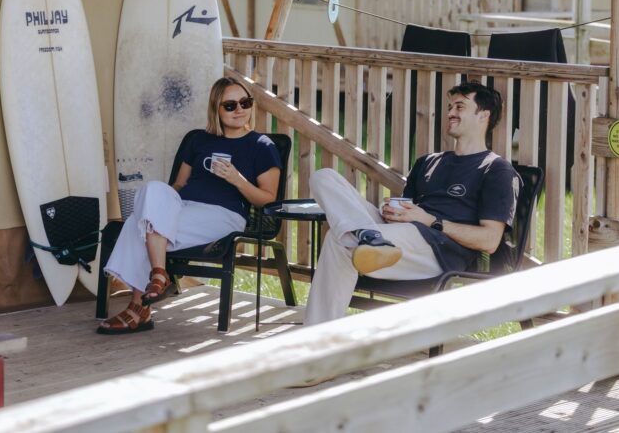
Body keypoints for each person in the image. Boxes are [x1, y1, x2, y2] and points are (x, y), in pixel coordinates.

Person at [304, 80, 519, 325]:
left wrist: (429, 220)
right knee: (324, 177)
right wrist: (393, 213)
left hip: (439, 250)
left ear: (484, 116)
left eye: (459, 107)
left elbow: (490, 241)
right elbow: (408, 209)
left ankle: (313, 342)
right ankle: (370, 238)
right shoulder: (429, 162)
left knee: (338, 238)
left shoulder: (496, 169)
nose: (450, 113)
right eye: (450, 107)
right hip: (401, 240)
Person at [98, 76, 281, 334]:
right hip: (184, 207)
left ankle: (139, 308)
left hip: (224, 215)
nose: (239, 109)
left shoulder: (261, 146)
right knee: (151, 194)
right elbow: (178, 186)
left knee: (139, 224)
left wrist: (237, 179)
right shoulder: (198, 140)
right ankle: (159, 274)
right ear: (216, 109)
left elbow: (268, 198)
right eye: (230, 105)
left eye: (245, 102)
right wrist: (158, 209)